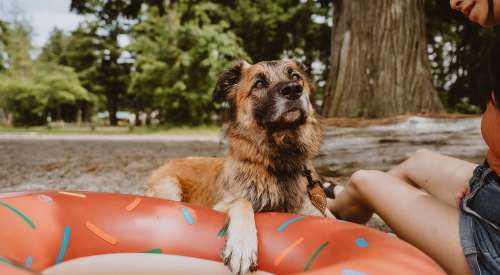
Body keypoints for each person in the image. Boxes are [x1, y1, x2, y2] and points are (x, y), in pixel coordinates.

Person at [328, 1, 500, 274]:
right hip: (492, 194)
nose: (453, 3)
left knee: (365, 180)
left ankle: (336, 205)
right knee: (418, 162)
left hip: (494, 244)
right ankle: (338, 201)